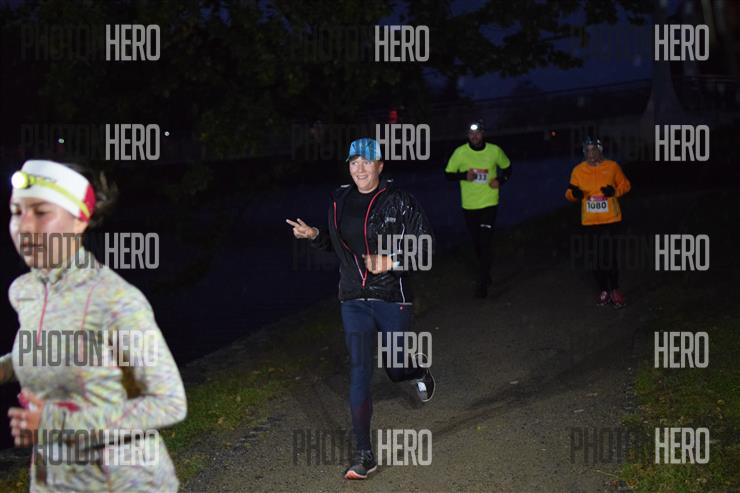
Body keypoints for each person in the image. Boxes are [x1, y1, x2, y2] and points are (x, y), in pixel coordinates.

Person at [1, 159, 187, 491]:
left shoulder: (115, 299)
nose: (24, 226)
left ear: (79, 220)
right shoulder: (26, 291)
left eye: (41, 212)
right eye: (17, 212)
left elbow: (169, 403)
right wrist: (4, 368)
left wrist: (59, 423)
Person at [286, 138, 435, 480]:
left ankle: (417, 372)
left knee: (396, 369)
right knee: (359, 371)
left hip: (391, 296)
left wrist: (391, 261)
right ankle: (364, 455)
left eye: (367, 162)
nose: (360, 169)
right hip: (353, 298)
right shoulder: (339, 200)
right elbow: (339, 247)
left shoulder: (400, 201)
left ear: (380, 165)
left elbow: (426, 248)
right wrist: (314, 235)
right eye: (354, 162)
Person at [444, 120, 512, 298]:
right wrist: (463, 175)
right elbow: (447, 174)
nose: (474, 136)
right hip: (469, 205)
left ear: (483, 133)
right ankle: (485, 270)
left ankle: (481, 284)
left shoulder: (494, 151)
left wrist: (501, 180)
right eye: (471, 133)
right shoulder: (460, 153)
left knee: (485, 241)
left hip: (489, 202)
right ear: (468, 135)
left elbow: (508, 168)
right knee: (477, 243)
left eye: (478, 132)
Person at [565, 137, 631, 308]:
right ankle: (604, 290)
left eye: (594, 150)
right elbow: (569, 193)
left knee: (609, 255)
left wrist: (614, 191)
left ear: (600, 150)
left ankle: (615, 290)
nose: (590, 154)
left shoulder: (612, 167)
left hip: (610, 219)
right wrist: (575, 195)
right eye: (587, 151)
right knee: (595, 258)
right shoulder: (578, 170)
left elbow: (626, 185)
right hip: (590, 221)